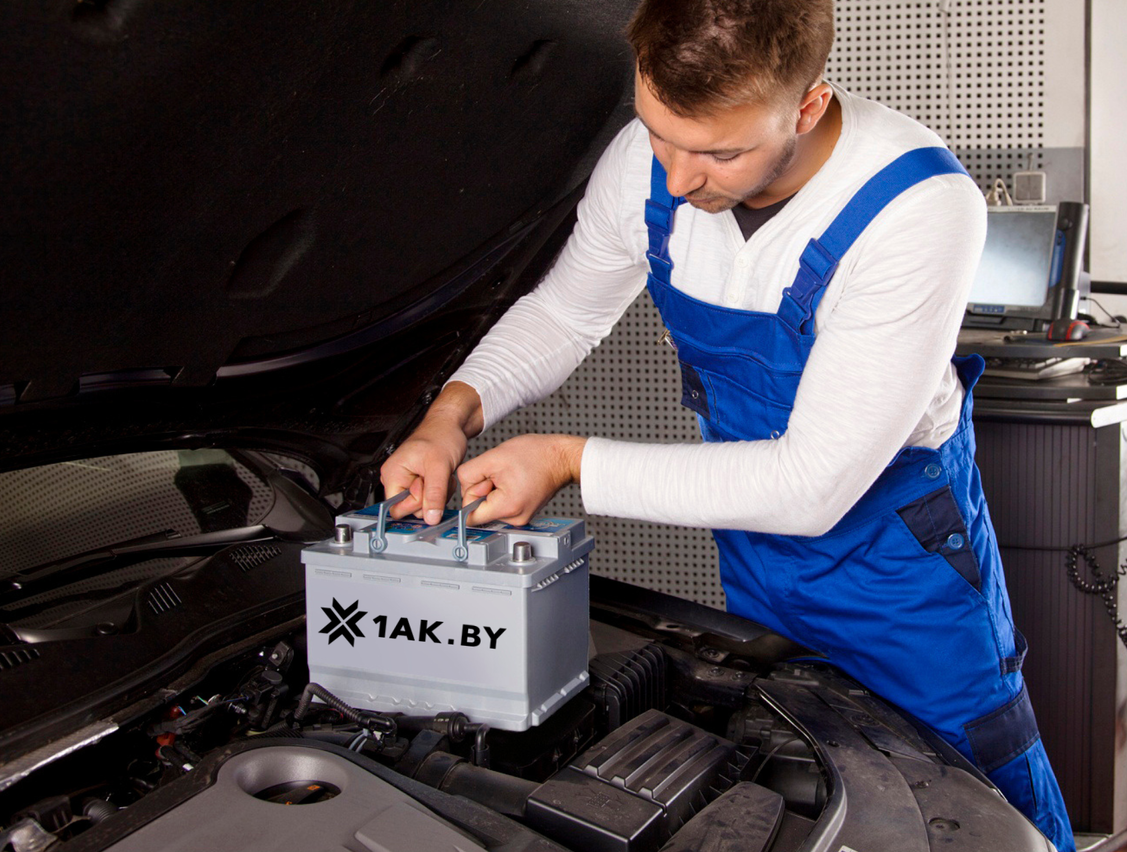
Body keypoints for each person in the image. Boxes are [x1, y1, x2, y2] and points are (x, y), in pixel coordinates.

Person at [380, 0, 1074, 847]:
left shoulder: (917, 208)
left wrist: (566, 460)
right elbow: (565, 314)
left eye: (719, 151)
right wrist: (450, 415)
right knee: (803, 782)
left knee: (974, 806)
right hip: (756, 550)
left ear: (808, 106)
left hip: (901, 568)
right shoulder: (651, 158)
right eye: (657, 131)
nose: (674, 177)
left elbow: (811, 485)